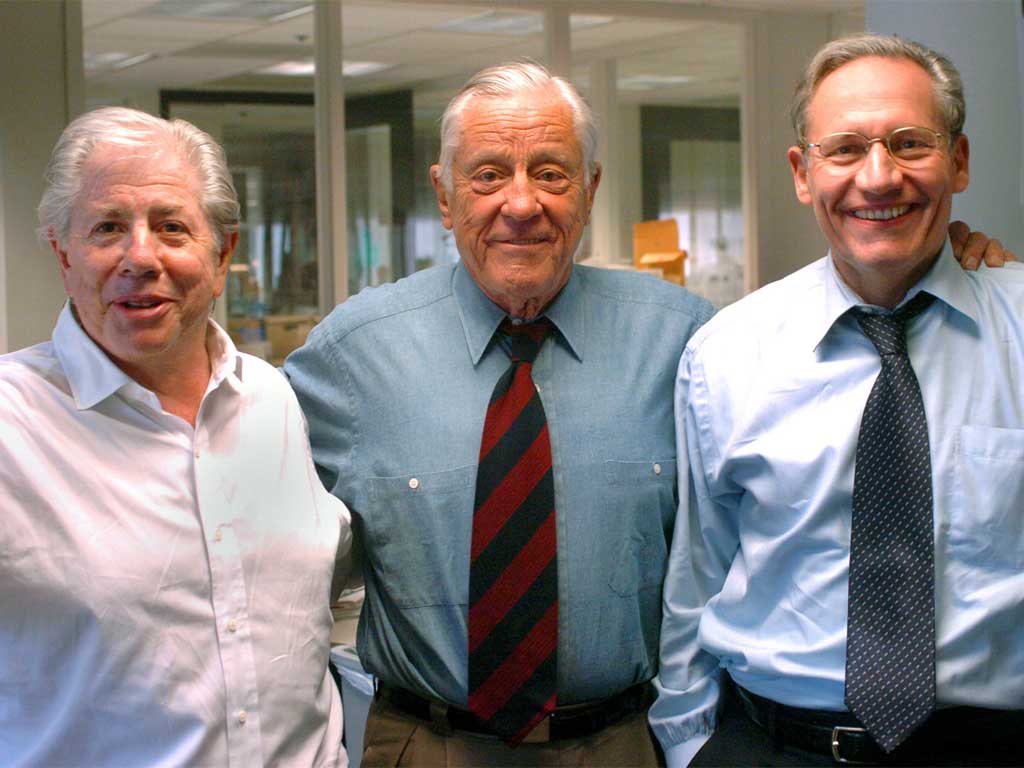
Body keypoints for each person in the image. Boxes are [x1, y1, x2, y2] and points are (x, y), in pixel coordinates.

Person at [285, 60, 1006, 767]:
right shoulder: (353, 354)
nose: (521, 203)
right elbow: (233, 481)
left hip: (621, 742)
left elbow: (708, 569)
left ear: (591, 188)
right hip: (423, 742)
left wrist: (969, 274)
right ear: (444, 197)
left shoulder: (691, 340)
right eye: (487, 174)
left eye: (551, 172)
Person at [652, 33, 1024, 767]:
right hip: (773, 746)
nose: (879, 178)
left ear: (960, 160)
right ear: (803, 170)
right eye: (846, 148)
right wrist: (689, 750)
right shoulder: (726, 354)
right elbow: (697, 583)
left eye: (910, 143)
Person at [0, 107, 352, 766]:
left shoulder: (274, 400)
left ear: (221, 255)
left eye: (171, 227)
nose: (141, 256)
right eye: (108, 227)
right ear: (63, 253)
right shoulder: (12, 424)